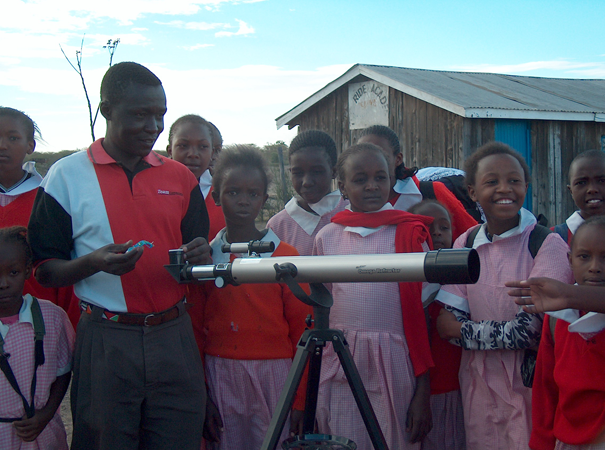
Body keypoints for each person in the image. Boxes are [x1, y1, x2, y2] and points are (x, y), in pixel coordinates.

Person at [27, 61, 211, 450]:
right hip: (106, 339)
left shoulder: (180, 177)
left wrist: (200, 254)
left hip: (173, 335)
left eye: (159, 115)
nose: (153, 126)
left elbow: (197, 254)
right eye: (140, 114)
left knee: (178, 438)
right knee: (104, 440)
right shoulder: (66, 176)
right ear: (106, 109)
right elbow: (44, 271)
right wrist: (92, 263)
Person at [434, 142, 574, 450]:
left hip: (528, 382)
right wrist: (491, 331)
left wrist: (465, 330)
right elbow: (446, 326)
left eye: (514, 180)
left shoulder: (545, 243)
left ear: (526, 186)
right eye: (491, 181)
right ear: (472, 191)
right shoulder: (465, 243)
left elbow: (529, 331)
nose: (504, 189)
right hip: (477, 383)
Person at [313, 142, 434, 449]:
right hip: (341, 357)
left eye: (380, 177)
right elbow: (321, 312)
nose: (372, 186)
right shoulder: (328, 237)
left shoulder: (409, 234)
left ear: (391, 180)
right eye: (360, 179)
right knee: (343, 438)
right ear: (342, 186)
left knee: (392, 440)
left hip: (393, 360)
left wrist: (423, 388)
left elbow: (422, 316)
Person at [201, 145, 312, 450]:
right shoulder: (206, 258)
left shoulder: (286, 256)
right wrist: (203, 393)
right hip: (220, 370)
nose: (243, 201)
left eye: (253, 193)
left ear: (264, 199)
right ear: (215, 195)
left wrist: (299, 397)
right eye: (233, 192)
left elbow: (303, 330)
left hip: (276, 374)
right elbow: (197, 326)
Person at [527, 216, 605, 450]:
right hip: (566, 435)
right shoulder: (557, 315)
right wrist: (541, 441)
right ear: (570, 261)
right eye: (584, 257)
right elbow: (546, 385)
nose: (595, 267)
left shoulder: (563, 300)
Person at [0, 107, 80, 329]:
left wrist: (69, 325)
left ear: (30, 146)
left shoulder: (50, 198)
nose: (2, 145)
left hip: (42, 325)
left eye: (13, 137)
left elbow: (65, 267)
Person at [0, 226, 75, 449]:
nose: (3, 283)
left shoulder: (52, 317)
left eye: (12, 272)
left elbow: (63, 372)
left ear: (27, 270)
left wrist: (45, 415)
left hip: (45, 433)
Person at [408, 200, 465, 450]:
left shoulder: (462, 281)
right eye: (427, 227)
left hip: (450, 389)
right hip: (407, 390)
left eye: (444, 227)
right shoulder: (403, 283)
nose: (437, 233)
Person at [357, 125, 477, 240]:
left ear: (398, 159)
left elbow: (474, 241)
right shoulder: (348, 202)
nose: (371, 164)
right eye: (362, 158)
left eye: (382, 157)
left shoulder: (432, 192)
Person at [267, 130, 347, 256]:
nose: (307, 182)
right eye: (298, 173)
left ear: (333, 172)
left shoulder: (352, 211)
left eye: (316, 171)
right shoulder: (278, 226)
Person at [167, 114, 225, 241]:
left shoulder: (224, 194)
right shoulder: (154, 190)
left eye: (203, 147)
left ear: (212, 153)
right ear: (170, 151)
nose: (193, 154)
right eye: (183, 145)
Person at [551, 150, 605, 243]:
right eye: (581, 183)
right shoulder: (553, 238)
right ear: (571, 191)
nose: (592, 189)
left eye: (602, 180)